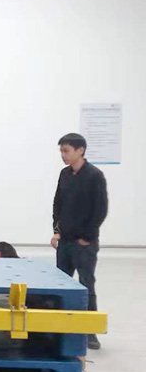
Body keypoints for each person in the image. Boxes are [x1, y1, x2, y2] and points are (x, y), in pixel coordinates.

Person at [52, 133, 108, 350]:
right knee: (61, 285)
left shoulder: (95, 176)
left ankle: (90, 333)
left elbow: (100, 209)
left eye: (66, 151)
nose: (63, 155)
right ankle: (60, 329)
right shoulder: (64, 175)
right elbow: (58, 205)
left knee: (86, 285)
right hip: (64, 241)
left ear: (80, 150)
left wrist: (87, 237)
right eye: (61, 151)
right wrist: (57, 231)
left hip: (84, 244)